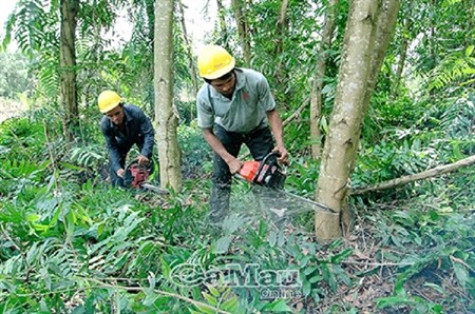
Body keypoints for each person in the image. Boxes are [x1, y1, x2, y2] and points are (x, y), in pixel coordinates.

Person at [196, 44, 289, 222]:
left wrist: (280, 144)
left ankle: (280, 224)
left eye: (228, 81)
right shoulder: (204, 97)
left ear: (233, 71)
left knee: (270, 175)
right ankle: (217, 226)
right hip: (226, 132)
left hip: (258, 129)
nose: (225, 87)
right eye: (219, 85)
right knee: (220, 178)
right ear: (209, 82)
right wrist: (229, 159)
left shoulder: (255, 80)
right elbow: (207, 132)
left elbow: (271, 111)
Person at [98, 90, 155, 187]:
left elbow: (148, 133)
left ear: (122, 106)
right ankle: (120, 190)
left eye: (117, 113)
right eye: (110, 116)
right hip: (123, 139)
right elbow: (111, 147)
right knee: (116, 165)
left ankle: (145, 185)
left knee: (146, 160)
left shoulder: (136, 112)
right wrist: (117, 168)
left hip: (140, 135)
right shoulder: (105, 124)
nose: (115, 118)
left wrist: (144, 154)